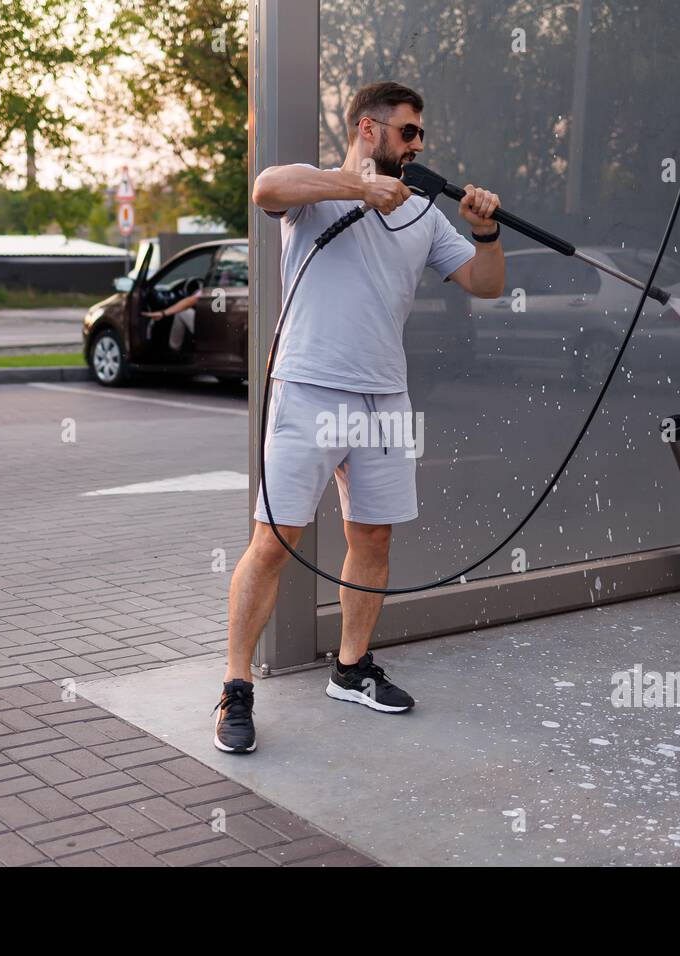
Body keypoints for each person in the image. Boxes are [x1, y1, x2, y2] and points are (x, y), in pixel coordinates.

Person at [214, 80, 505, 754]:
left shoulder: (425, 217)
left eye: (422, 134)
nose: (419, 145)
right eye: (408, 132)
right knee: (273, 538)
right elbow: (265, 188)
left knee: (373, 539)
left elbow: (487, 285)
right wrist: (358, 187)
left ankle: (350, 668)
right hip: (308, 389)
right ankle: (235, 685)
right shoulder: (318, 194)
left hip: (384, 398)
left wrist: (484, 231)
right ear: (369, 131)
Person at [142, 288, 202, 356]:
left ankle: (174, 351)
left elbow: (190, 301)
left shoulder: (213, 287)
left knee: (182, 311)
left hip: (210, 331)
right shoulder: (215, 287)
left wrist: (163, 313)